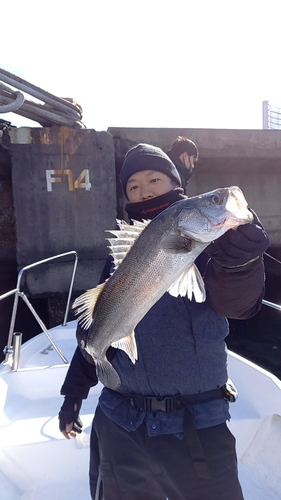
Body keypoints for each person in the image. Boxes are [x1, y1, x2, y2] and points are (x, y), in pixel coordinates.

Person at [58, 143, 269, 500]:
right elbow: (96, 330)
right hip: (120, 423)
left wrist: (240, 261)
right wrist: (74, 394)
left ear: (175, 182)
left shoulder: (213, 242)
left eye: (154, 178)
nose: (144, 189)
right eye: (133, 186)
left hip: (197, 425)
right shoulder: (120, 255)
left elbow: (238, 305)